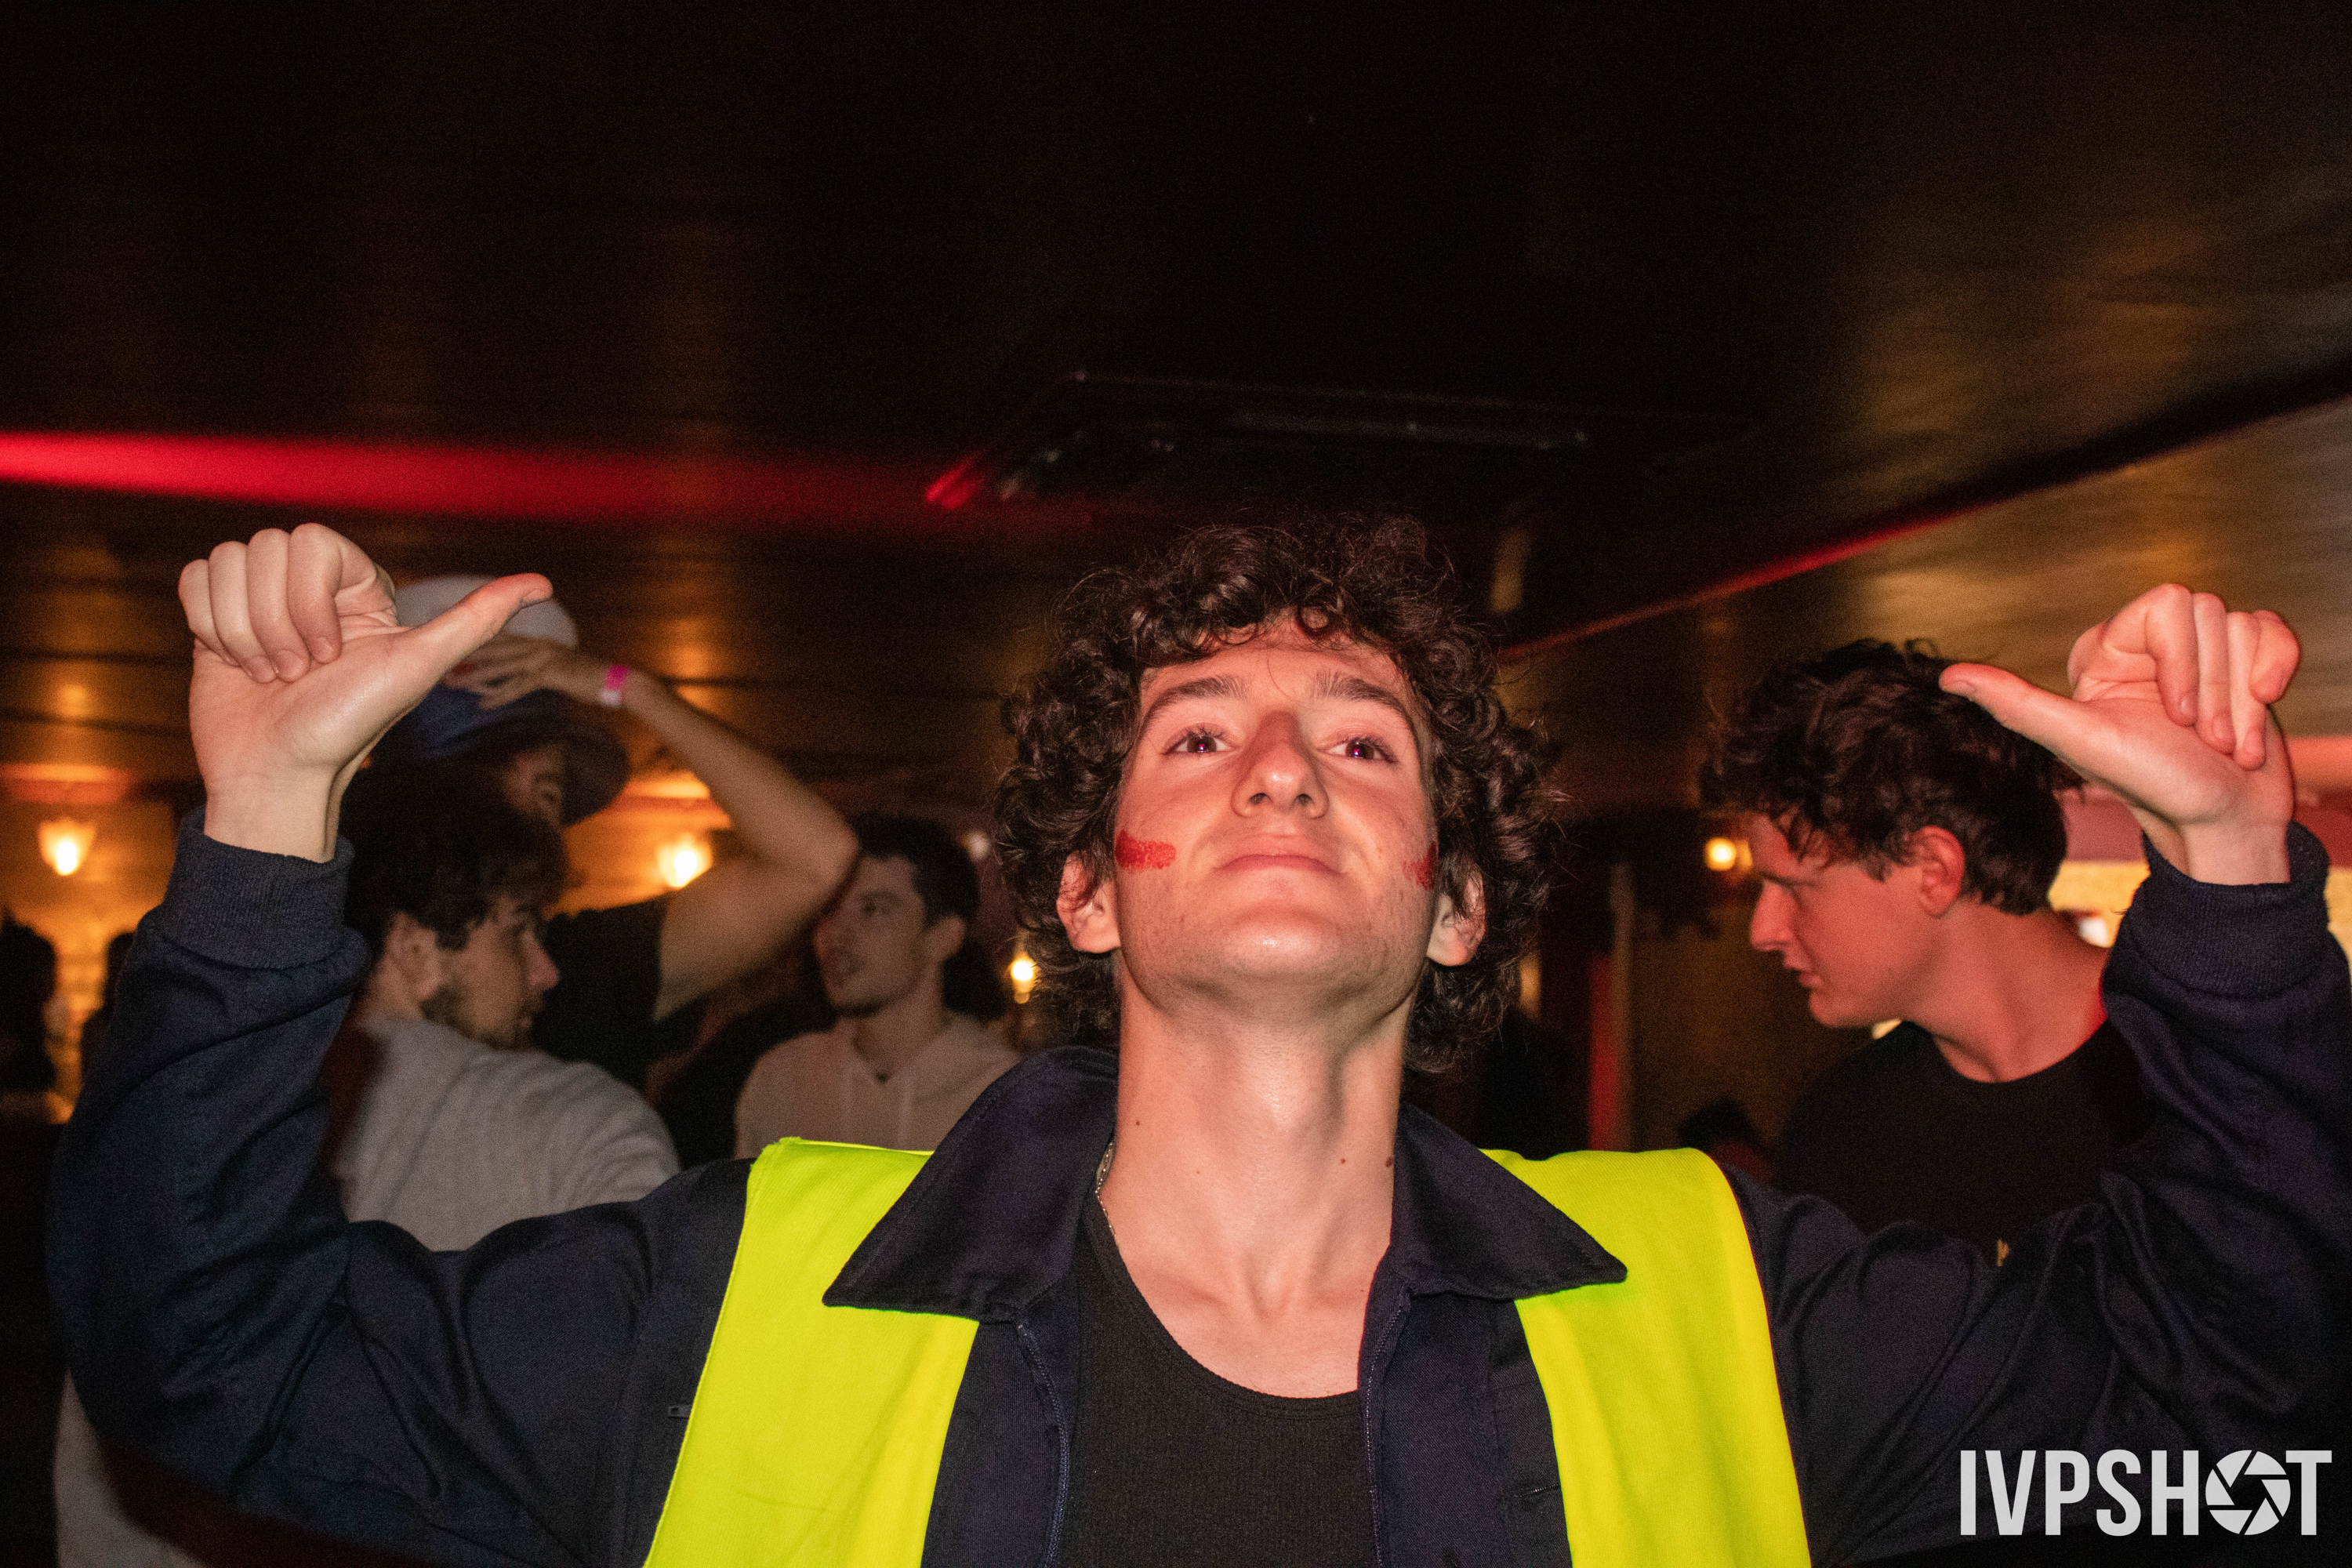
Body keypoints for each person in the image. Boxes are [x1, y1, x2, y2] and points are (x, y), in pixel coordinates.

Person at [47, 519, 2350, 1564]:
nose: (1273, 765)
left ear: (1452, 901)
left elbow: (2229, 1457)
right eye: (1194, 732)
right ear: (1084, 885)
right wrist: (258, 822)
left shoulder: (1724, 1300)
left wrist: (2239, 879)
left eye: (1359, 739)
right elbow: (206, 1354)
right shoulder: (738, 1294)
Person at [52, 764, 680, 1568]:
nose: (545, 971)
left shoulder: (188, 1127)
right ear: (416, 948)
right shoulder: (587, 1126)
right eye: (520, 929)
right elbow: (643, 1453)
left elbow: (98, 1451)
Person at [1700, 639, 2138, 1263]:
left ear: (1933, 869)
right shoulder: (1839, 1136)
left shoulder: (2199, 1080)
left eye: (1795, 887)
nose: (1763, 930)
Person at [371, 575, 858, 1090]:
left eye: (548, 793)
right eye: (494, 786)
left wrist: (631, 689)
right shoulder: (332, 950)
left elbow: (819, 857)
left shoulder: (587, 967)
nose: (524, 818)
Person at [733, 814, 1015, 1154]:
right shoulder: (783, 1081)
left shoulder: (1002, 1095)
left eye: (873, 910)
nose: (836, 933)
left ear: (943, 938)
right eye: (828, 909)